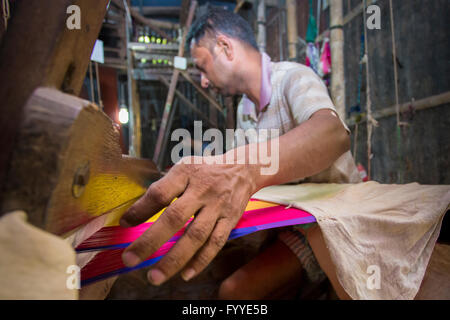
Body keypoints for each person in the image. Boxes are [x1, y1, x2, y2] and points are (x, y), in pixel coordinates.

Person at [119, 7, 360, 299]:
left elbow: (332, 134)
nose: (204, 82)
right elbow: (230, 170)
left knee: (234, 293)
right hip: (282, 221)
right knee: (215, 269)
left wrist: (244, 170)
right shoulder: (245, 111)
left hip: (326, 222)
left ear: (224, 47)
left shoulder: (292, 78)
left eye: (203, 68)